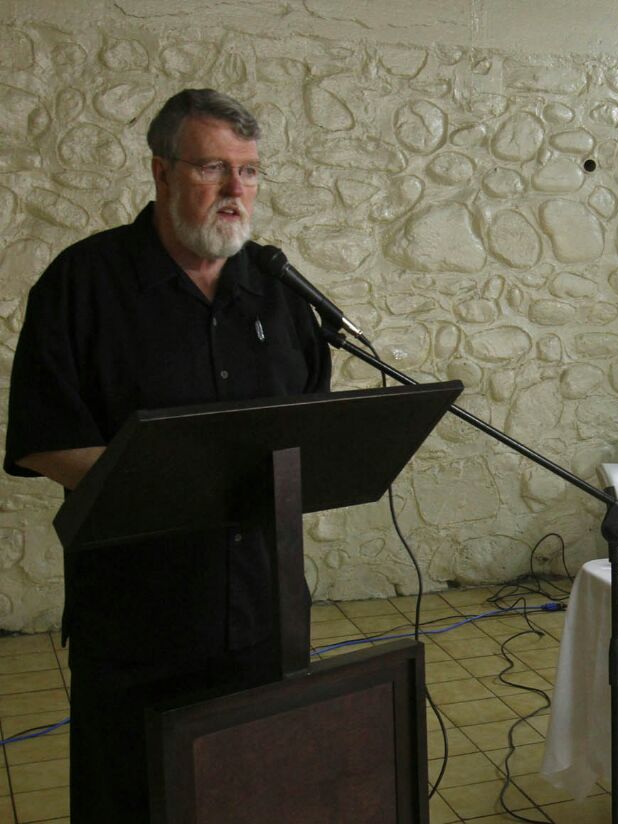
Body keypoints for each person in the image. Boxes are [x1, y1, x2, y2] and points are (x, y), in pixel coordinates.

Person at [4, 89, 332, 822]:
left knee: (255, 788)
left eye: (248, 172)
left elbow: (310, 423)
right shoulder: (82, 283)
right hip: (137, 617)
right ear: (160, 172)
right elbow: (46, 439)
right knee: (132, 795)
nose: (233, 190)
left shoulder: (279, 293)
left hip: (264, 603)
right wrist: (183, 487)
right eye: (212, 167)